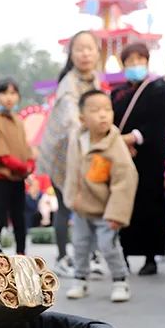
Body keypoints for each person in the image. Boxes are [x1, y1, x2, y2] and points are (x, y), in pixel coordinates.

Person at [62, 89, 138, 303]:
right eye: (95, 110)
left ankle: (120, 280)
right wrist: (71, 199)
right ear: (82, 118)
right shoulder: (77, 139)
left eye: (107, 109)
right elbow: (71, 171)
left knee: (108, 246)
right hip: (81, 207)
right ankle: (80, 279)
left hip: (106, 210)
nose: (103, 115)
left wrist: (117, 214)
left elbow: (125, 180)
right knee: (80, 244)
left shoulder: (115, 145)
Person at [36, 30, 101, 277]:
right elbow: (71, 119)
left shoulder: (95, 81)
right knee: (64, 205)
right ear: (71, 55)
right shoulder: (68, 83)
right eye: (79, 49)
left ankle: (89, 256)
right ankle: (63, 258)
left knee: (91, 204)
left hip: (87, 149)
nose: (85, 54)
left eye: (89, 48)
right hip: (63, 155)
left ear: (97, 53)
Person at [112, 41, 165, 276]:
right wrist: (121, 142)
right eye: (130, 61)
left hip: (150, 158)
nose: (135, 65)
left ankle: (150, 257)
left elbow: (160, 122)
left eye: (139, 60)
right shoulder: (117, 93)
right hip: (123, 158)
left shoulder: (157, 89)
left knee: (151, 206)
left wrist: (134, 138)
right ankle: (123, 256)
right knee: (123, 206)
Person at [0, 78, 34, 255]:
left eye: (13, 93)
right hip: (0, 178)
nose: (9, 98)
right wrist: (21, 166)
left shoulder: (18, 120)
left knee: (20, 219)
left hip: (18, 178)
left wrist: (29, 163)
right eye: (4, 93)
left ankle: (21, 255)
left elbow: (25, 147)